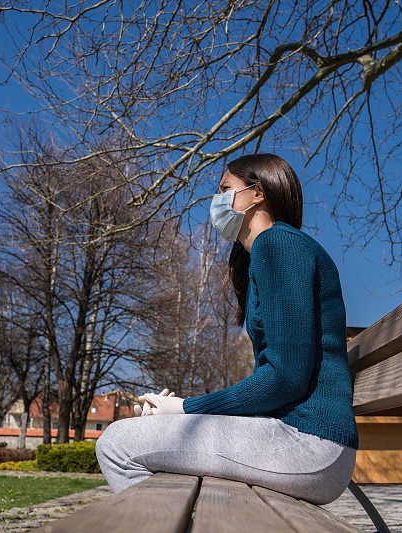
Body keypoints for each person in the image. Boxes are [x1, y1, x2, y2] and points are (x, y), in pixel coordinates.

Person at [95, 153, 359, 505]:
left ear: (257, 193)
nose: (216, 200)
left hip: (311, 443)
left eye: (225, 188)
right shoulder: (270, 251)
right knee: (140, 439)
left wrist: (188, 409)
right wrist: (186, 412)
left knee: (117, 444)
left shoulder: (278, 244)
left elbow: (286, 377)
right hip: (304, 440)